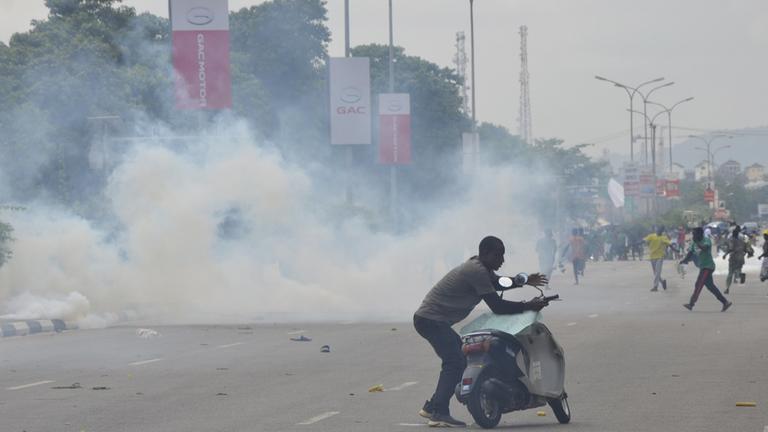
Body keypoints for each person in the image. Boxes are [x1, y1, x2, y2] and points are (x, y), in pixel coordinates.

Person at [414, 236, 549, 427]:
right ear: (485, 253)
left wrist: (523, 280)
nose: (502, 260)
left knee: (456, 360)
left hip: (432, 320)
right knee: (455, 361)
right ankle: (438, 412)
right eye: (498, 255)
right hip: (431, 320)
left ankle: (433, 406)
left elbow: (498, 283)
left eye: (503, 255)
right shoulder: (476, 271)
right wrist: (529, 305)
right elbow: (498, 306)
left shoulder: (481, 268)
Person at [680, 227, 733, 312]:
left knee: (699, 284)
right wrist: (684, 260)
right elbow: (690, 253)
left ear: (699, 234)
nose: (693, 236)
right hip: (703, 267)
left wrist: (697, 242)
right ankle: (725, 302)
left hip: (708, 266)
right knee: (711, 287)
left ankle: (691, 304)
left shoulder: (706, 240)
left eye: (694, 234)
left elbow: (705, 248)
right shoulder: (694, 243)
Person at [722, 225, 754, 294]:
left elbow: (730, 248)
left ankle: (727, 288)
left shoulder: (731, 238)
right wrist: (749, 253)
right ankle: (740, 275)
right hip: (741, 257)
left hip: (733, 257)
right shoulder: (743, 238)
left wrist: (725, 254)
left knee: (730, 273)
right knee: (738, 269)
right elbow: (747, 247)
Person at [644, 226, 671, 292]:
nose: (658, 231)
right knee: (655, 273)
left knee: (658, 272)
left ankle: (655, 287)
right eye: (658, 229)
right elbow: (644, 241)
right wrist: (634, 244)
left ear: (662, 231)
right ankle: (662, 282)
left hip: (660, 256)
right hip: (652, 256)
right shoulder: (651, 236)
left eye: (660, 230)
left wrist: (676, 249)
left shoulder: (663, 238)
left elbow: (670, 244)